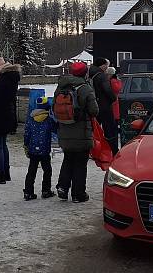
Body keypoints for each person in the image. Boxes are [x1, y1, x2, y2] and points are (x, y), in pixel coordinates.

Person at [54, 61, 98, 203]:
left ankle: (62, 187)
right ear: (85, 73)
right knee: (80, 163)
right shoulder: (85, 88)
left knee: (68, 159)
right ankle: (78, 194)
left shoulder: (61, 87)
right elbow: (94, 110)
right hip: (81, 132)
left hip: (64, 130)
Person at [0, 61, 21, 184]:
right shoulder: (12, 77)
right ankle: (6, 173)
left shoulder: (2, 78)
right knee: (3, 145)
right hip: (7, 114)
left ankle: (0, 174)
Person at [23, 96, 56, 200]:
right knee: (47, 170)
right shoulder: (48, 119)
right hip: (44, 150)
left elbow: (27, 134)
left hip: (33, 149)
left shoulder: (31, 118)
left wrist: (26, 145)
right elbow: (56, 129)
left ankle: (28, 192)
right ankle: (46, 190)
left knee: (31, 171)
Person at [89, 57, 118, 156]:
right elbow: (107, 90)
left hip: (93, 105)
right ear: (102, 65)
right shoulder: (101, 76)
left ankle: (93, 150)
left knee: (95, 129)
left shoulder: (90, 74)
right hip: (104, 106)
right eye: (106, 65)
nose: (107, 67)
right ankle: (113, 150)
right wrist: (113, 98)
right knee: (110, 129)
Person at [109, 67, 123, 146]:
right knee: (115, 116)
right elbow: (118, 89)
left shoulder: (111, 80)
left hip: (114, 101)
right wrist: (119, 81)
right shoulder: (114, 81)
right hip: (114, 101)